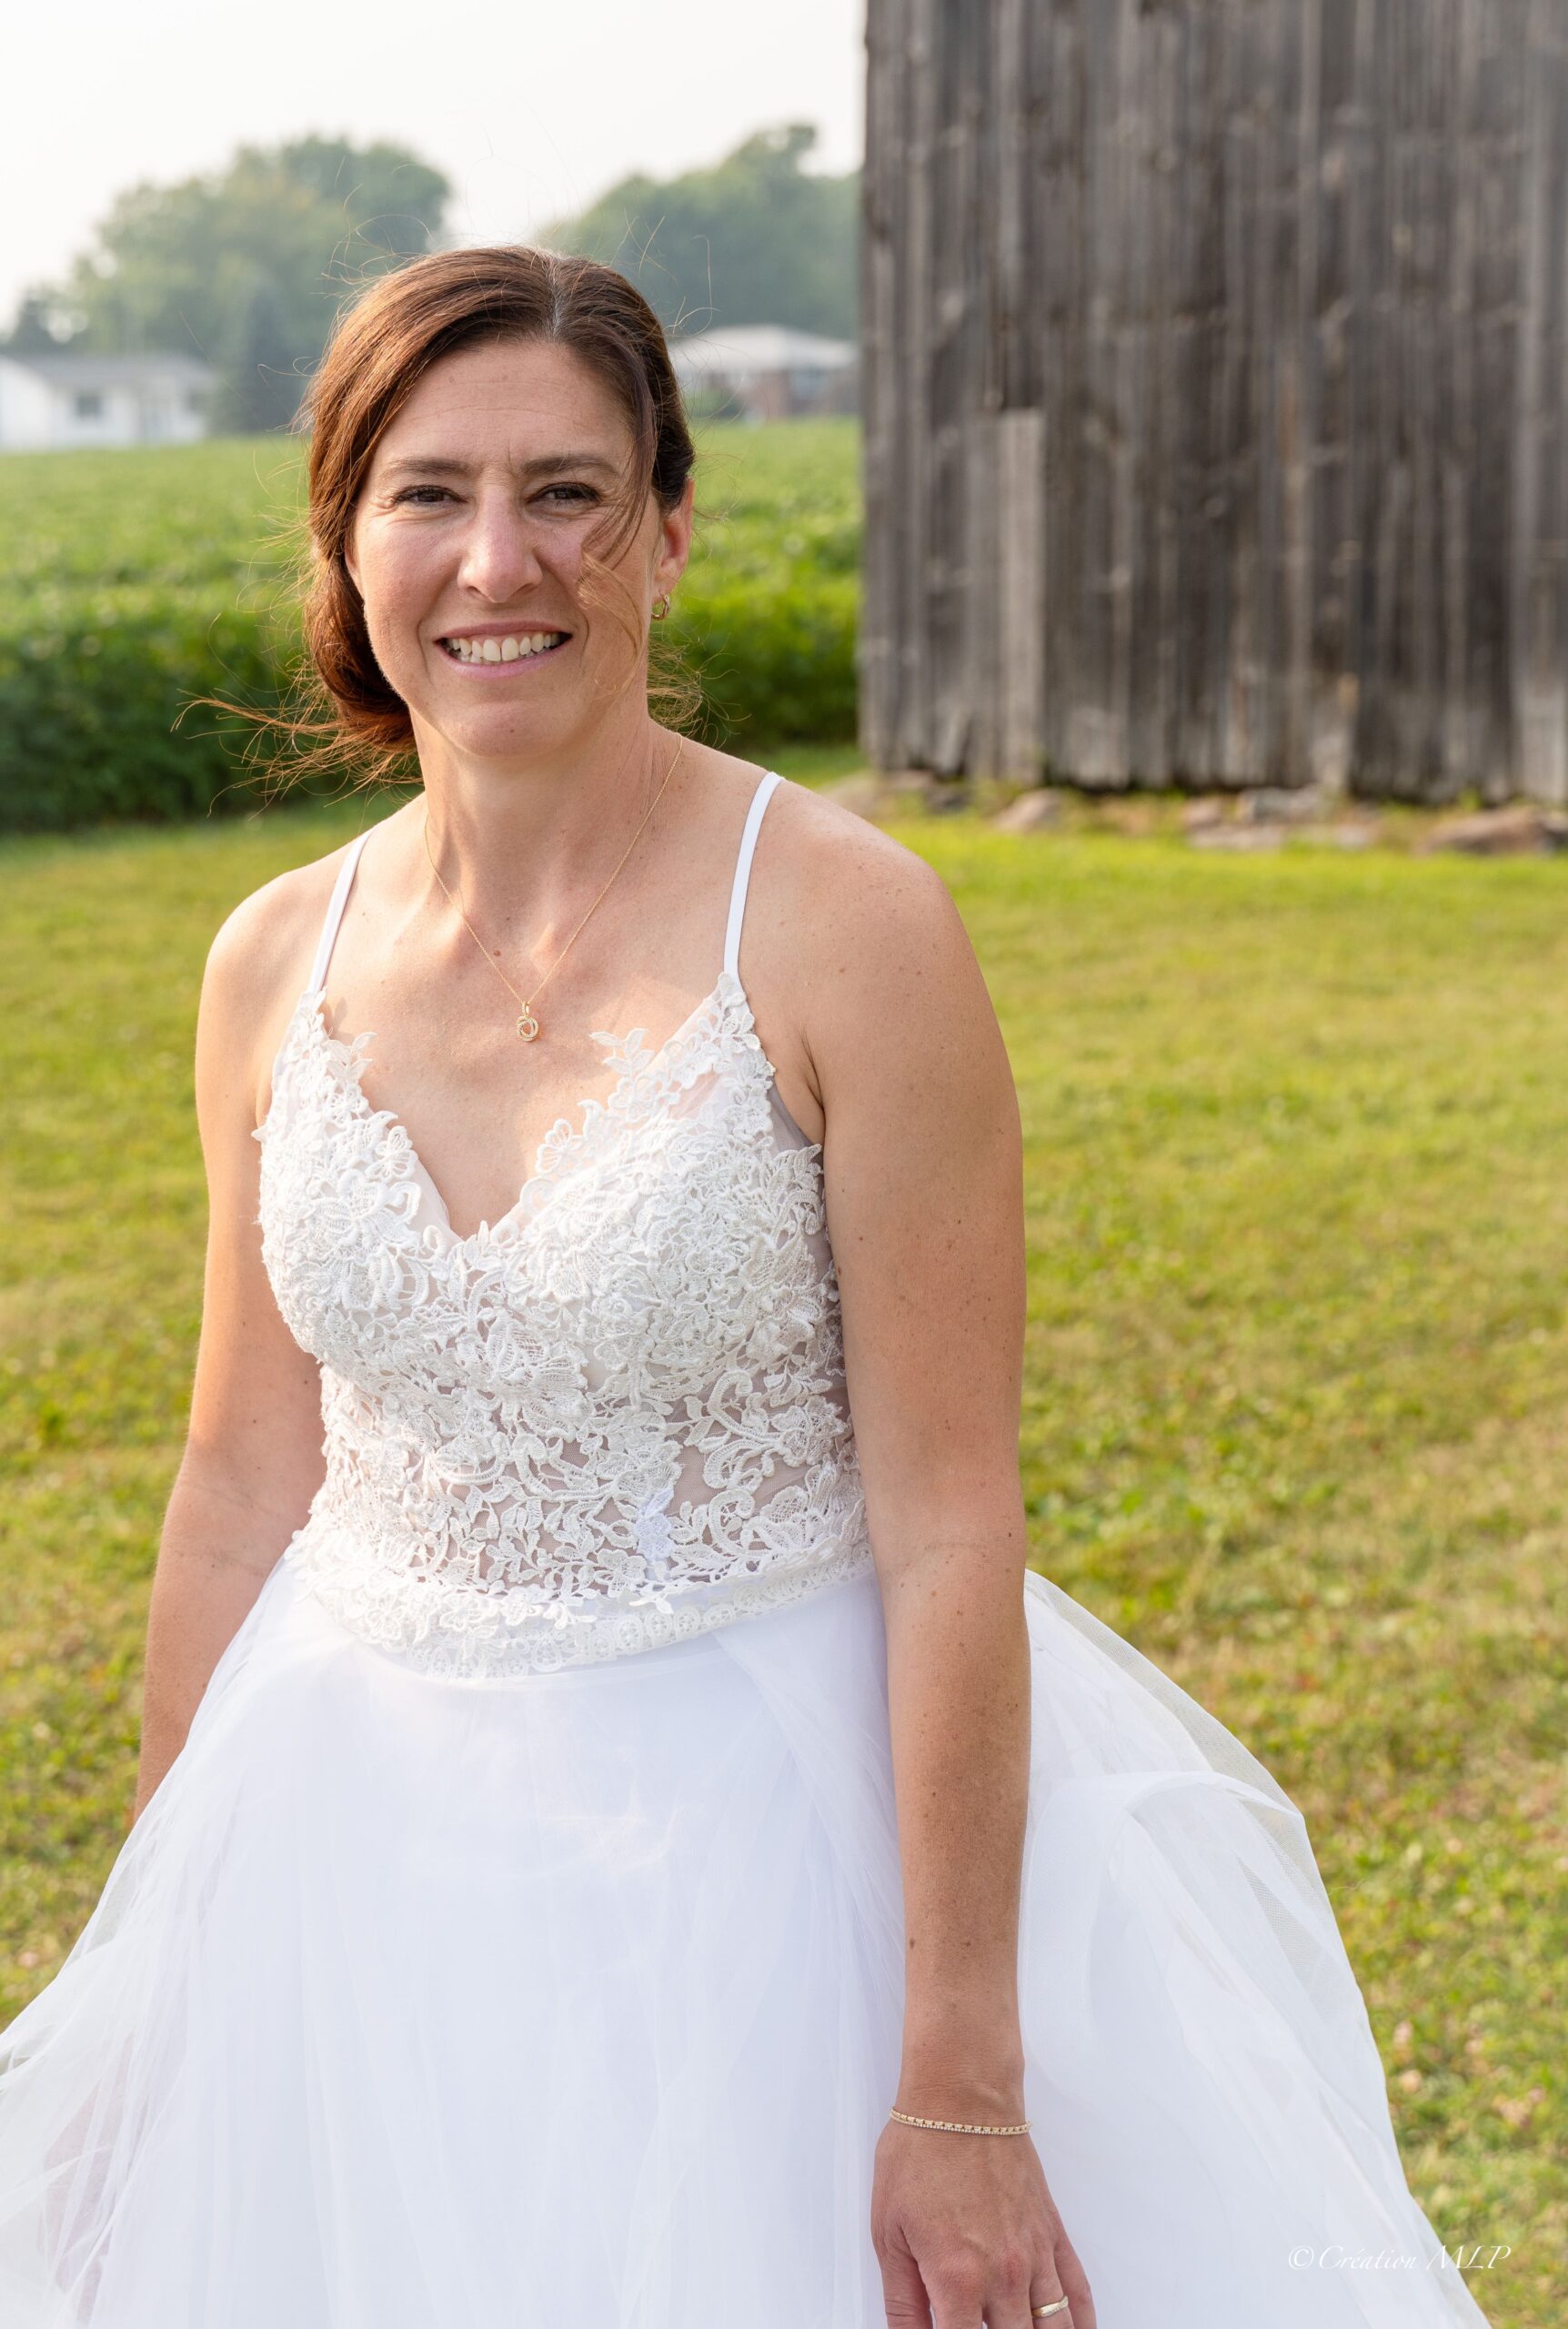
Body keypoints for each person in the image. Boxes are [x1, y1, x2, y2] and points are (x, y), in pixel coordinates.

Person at [0, 247, 1493, 2329]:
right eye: (427, 492)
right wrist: (167, 1946)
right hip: (353, 1857)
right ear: (347, 546)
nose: (496, 558)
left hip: (763, 1863)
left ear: (672, 530)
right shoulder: (268, 959)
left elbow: (950, 1510)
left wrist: (958, 2072)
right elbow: (242, 1477)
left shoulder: (848, 927)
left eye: (570, 492)